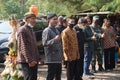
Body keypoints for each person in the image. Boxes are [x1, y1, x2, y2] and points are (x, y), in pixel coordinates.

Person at [17, 12, 40, 80]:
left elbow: (33, 46)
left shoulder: (31, 29)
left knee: (33, 78)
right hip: (27, 61)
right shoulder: (22, 30)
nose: (34, 21)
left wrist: (37, 58)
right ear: (26, 19)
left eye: (35, 19)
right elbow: (23, 47)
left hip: (34, 60)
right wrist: (29, 60)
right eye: (32, 19)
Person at [42, 13, 63, 80]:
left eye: (56, 19)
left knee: (58, 76)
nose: (56, 21)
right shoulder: (47, 30)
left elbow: (59, 44)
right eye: (54, 19)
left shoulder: (56, 30)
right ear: (48, 20)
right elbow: (45, 43)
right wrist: (54, 39)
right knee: (50, 76)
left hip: (58, 58)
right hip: (51, 59)